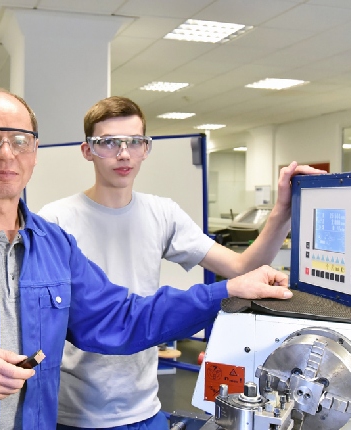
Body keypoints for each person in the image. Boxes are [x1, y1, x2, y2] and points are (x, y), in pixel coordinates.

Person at [0, 88, 294, 429]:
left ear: (34, 152)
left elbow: (121, 319)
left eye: (20, 140)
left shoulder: (54, 245)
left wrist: (225, 291)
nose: (6, 153)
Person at [37, 96, 325, 429]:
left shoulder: (162, 214)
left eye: (134, 142)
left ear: (146, 148)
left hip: (144, 409)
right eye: (108, 143)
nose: (123, 153)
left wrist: (282, 213)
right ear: (88, 150)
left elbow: (241, 267)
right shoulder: (56, 220)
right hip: (73, 414)